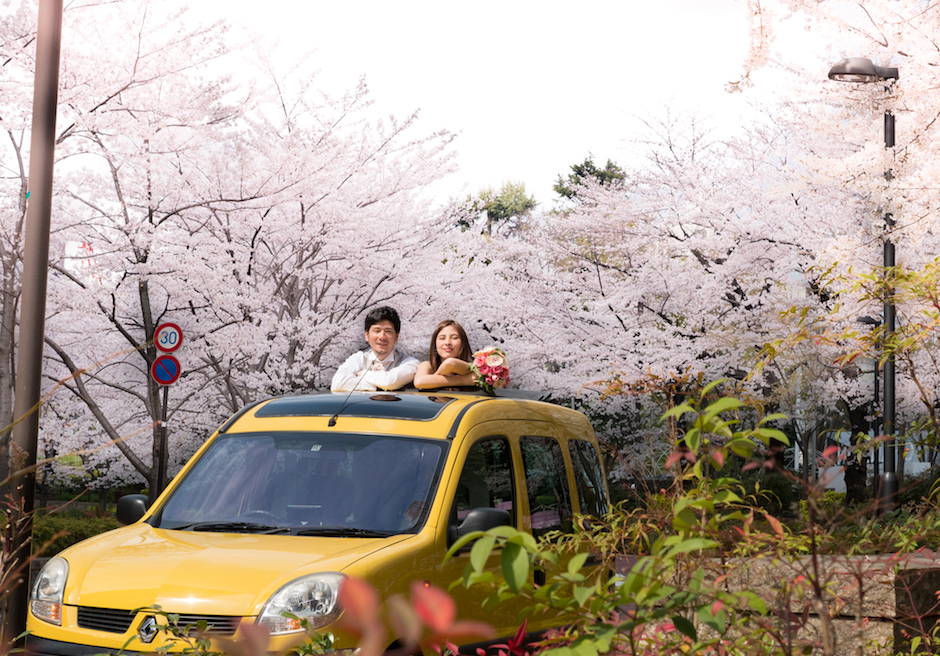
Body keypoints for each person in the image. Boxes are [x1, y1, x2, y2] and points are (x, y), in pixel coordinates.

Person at [330, 306, 419, 392]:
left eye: (388, 331)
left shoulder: (410, 363)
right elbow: (337, 383)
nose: (382, 337)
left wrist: (362, 374)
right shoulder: (358, 358)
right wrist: (376, 386)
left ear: (396, 336)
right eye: (377, 331)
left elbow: (389, 381)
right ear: (366, 335)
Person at [414, 319, 476, 389]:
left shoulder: (474, 369)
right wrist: (463, 380)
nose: (447, 342)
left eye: (454, 338)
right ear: (435, 344)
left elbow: (451, 363)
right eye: (442, 338)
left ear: (463, 343)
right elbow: (419, 382)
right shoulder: (428, 366)